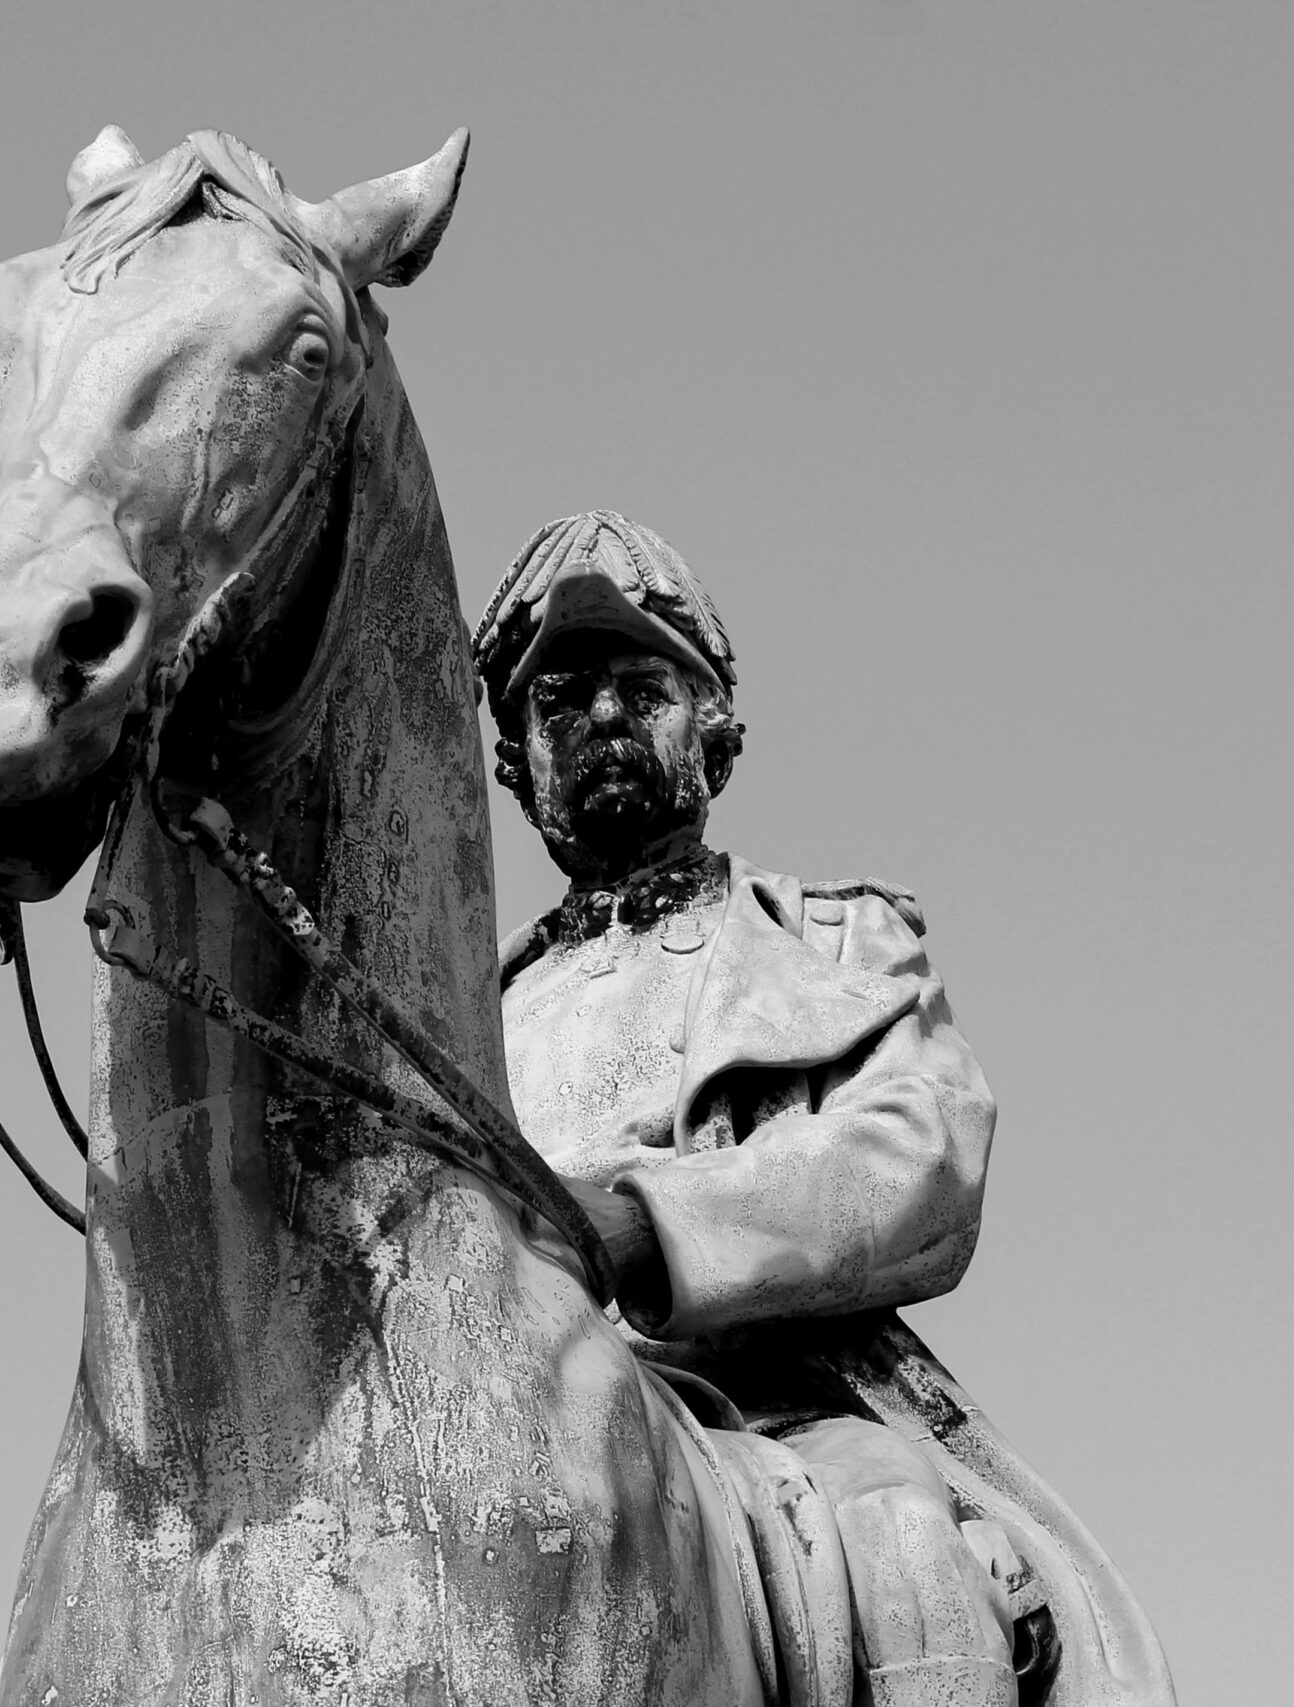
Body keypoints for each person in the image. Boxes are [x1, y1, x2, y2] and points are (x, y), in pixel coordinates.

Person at [477, 511, 1020, 1704]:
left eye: (642, 687)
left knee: (906, 1549)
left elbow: (923, 1161)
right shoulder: (464, 1014)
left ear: (715, 733)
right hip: (497, 1416)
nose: (604, 719)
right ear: (515, 758)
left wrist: (648, 1225)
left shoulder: (832, 948)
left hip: (768, 1424)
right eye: (562, 699)